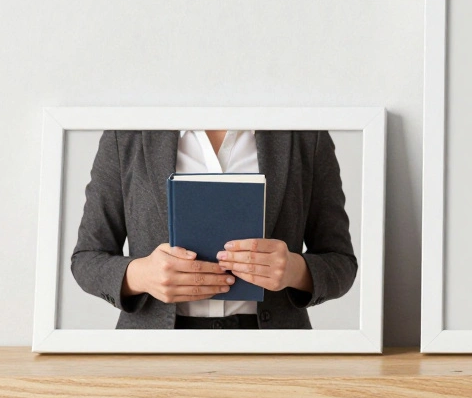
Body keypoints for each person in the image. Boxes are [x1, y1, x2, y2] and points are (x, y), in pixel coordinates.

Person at [71, 130, 358, 329]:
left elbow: (341, 262)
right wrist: (141, 276)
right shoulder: (128, 134)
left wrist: (295, 270)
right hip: (154, 348)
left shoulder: (304, 135)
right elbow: (87, 258)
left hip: (271, 347)